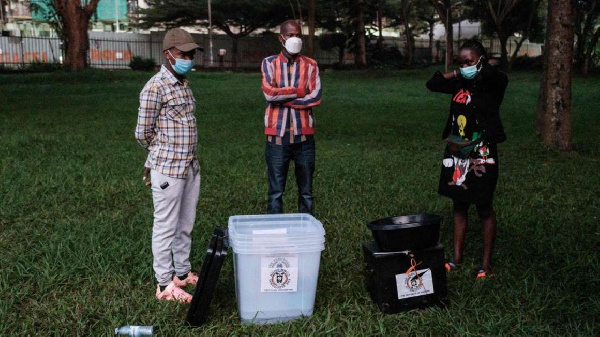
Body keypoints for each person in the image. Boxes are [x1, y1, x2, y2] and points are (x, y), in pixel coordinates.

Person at [426, 40, 508, 279]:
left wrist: (483, 67)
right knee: (459, 204)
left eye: (469, 61)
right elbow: (433, 83)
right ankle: (456, 259)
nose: (464, 66)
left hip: (481, 153)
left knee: (483, 206)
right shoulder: (459, 82)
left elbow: (498, 76)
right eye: (461, 62)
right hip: (457, 150)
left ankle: (485, 265)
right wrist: (457, 72)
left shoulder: (493, 83)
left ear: (480, 61)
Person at [135, 28, 203, 302]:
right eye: (182, 54)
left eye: (191, 54)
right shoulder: (155, 87)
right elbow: (142, 132)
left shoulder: (183, 82)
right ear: (168, 54)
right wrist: (162, 153)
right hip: (168, 169)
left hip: (189, 166)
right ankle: (164, 284)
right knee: (165, 226)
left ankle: (182, 273)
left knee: (185, 223)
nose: (188, 58)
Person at [261, 20, 322, 214]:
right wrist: (298, 91)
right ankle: (274, 232)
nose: (294, 39)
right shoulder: (269, 63)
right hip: (277, 136)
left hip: (304, 137)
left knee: (306, 191)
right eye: (290, 35)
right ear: (281, 38)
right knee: (276, 191)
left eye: (298, 35)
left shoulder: (311, 65)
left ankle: (307, 232)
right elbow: (269, 94)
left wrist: (285, 99)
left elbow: (316, 96)